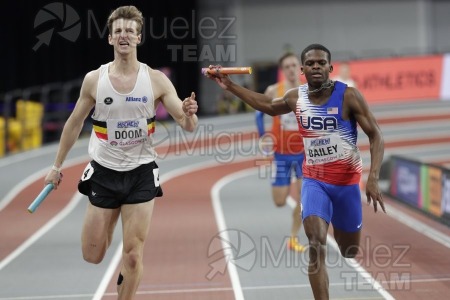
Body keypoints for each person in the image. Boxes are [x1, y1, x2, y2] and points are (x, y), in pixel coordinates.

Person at [206, 43, 385, 300]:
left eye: (321, 63)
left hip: (346, 184)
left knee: (349, 251)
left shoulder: (349, 96)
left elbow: (376, 135)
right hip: (314, 181)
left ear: (330, 68)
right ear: (302, 70)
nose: (315, 67)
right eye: (310, 63)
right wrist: (230, 85)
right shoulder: (295, 97)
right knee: (315, 242)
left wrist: (374, 177)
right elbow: (267, 104)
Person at [44, 6, 198, 300]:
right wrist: (56, 166)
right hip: (104, 172)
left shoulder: (155, 80)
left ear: (139, 37)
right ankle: (110, 220)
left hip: (141, 173)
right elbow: (74, 123)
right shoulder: (94, 80)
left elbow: (187, 124)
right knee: (93, 254)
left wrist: (190, 114)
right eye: (118, 32)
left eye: (129, 31)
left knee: (132, 256)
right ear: (110, 39)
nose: (124, 35)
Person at [255, 52, 305, 252]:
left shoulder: (308, 90)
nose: (291, 69)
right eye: (287, 66)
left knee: (304, 200)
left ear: (300, 67)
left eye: (294, 65)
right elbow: (259, 114)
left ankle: (293, 238)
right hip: (282, 154)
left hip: (305, 154)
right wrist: (263, 136)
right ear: (282, 70)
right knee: (279, 201)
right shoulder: (274, 90)